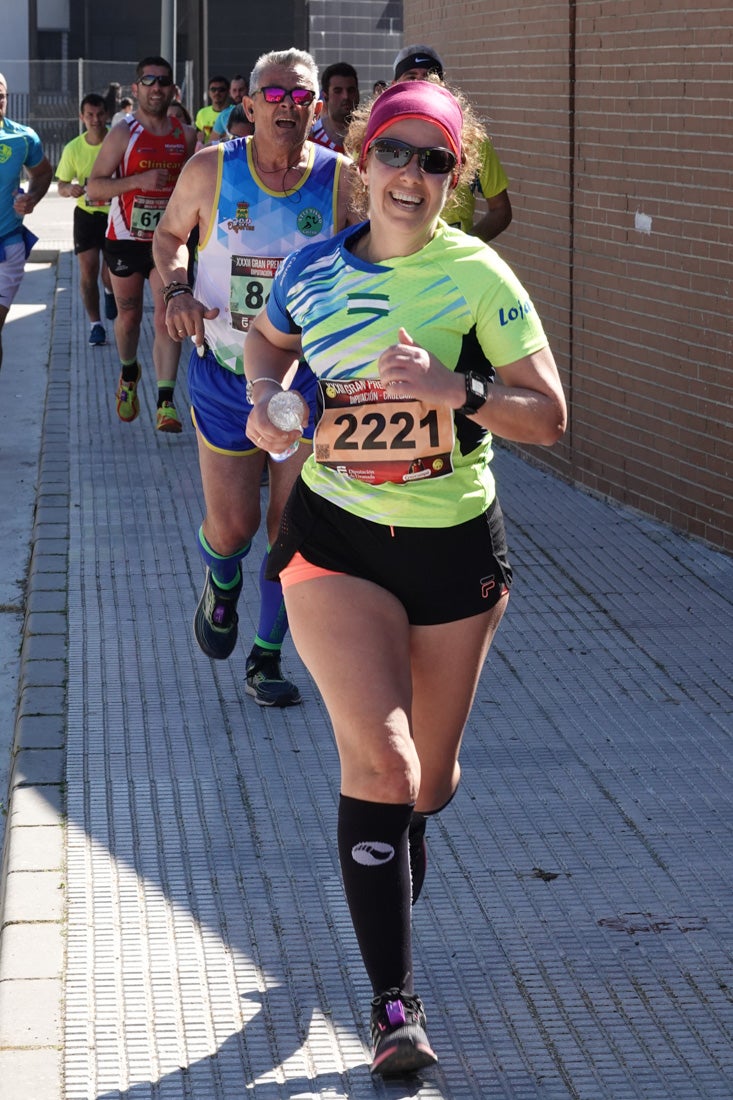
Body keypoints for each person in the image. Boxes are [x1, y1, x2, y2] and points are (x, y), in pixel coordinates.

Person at [243, 80, 566, 1075]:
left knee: (428, 777)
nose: (412, 175)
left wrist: (455, 389)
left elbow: (548, 413)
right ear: (362, 160)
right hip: (334, 539)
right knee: (379, 764)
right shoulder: (310, 272)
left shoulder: (478, 277)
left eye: (434, 161)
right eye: (395, 153)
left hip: (454, 548)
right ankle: (394, 1003)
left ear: (451, 180)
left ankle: (393, 857)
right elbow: (267, 342)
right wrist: (265, 404)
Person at [153, 47, 355, 706]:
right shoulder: (212, 169)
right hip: (224, 373)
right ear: (247, 104)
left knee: (289, 526)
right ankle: (221, 583)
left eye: (300, 97)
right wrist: (178, 288)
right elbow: (166, 238)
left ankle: (265, 658)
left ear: (317, 108)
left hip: (304, 382)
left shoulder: (340, 182)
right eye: (273, 95)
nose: (286, 107)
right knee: (234, 527)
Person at [87, 56, 196, 432]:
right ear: (136, 89)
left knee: (168, 315)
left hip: (167, 242)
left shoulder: (185, 134)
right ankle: (129, 372)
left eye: (163, 81)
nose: (157, 87)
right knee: (129, 317)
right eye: (149, 80)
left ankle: (166, 401)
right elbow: (94, 187)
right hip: (125, 240)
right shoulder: (124, 132)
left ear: (172, 90)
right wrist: (136, 182)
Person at [393, 44, 512, 242]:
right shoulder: (375, 138)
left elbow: (501, 210)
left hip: (449, 267)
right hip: (391, 262)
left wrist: (464, 246)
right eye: (411, 77)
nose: (421, 84)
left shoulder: (470, 139)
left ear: (443, 85)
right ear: (395, 84)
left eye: (430, 77)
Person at [55, 92, 118, 346]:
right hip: (86, 216)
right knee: (88, 271)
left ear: (107, 115)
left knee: (109, 273)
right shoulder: (73, 148)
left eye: (100, 114)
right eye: (89, 115)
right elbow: (61, 183)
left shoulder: (117, 141)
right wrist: (69, 190)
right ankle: (96, 325)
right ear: (81, 117)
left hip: (115, 215)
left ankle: (110, 292)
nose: (95, 119)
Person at [0, 72, 53, 371]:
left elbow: (43, 173)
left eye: (1, 94)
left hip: (7, 246)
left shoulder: (22, 136)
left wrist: (31, 198)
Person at [310, 62, 359, 153]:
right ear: (325, 96)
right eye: (338, 91)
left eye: (351, 90)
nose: (346, 96)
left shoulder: (371, 134)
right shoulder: (311, 138)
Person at [209, 74, 248, 142]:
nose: (237, 94)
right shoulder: (224, 115)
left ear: (248, 90)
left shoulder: (257, 111)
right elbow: (211, 143)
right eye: (234, 90)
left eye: (241, 90)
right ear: (230, 92)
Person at [195, 75, 229, 144]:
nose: (217, 92)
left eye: (221, 90)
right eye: (213, 89)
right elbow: (198, 136)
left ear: (228, 92)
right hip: (208, 152)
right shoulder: (202, 113)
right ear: (208, 92)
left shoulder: (234, 112)